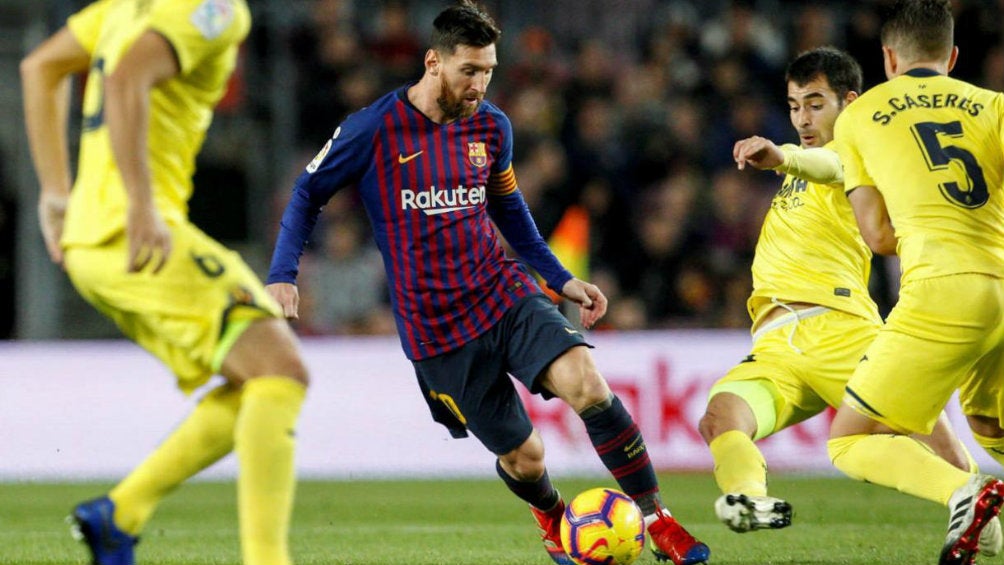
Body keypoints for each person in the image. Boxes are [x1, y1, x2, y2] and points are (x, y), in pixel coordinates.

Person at [265, 2, 708, 564]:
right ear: (433, 62)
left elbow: (508, 206)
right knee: (525, 455)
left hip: (502, 293)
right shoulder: (372, 129)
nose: (479, 85)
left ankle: (658, 520)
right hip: (437, 332)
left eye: (489, 71)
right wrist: (282, 274)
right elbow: (307, 192)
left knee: (589, 384)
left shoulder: (491, 127)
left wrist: (559, 279)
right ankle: (551, 516)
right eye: (468, 71)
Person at [20, 2, 309, 565]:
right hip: (137, 236)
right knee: (282, 371)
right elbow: (127, 74)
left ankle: (118, 516)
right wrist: (141, 205)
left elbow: (41, 67)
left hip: (91, 241)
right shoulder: (215, 9)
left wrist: (56, 191)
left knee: (257, 381)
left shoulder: (122, 6)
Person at [700, 46, 987, 539]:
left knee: (922, 433)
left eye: (815, 103)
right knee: (720, 417)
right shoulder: (806, 165)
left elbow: (827, 167)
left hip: (836, 327)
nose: (803, 118)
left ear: (848, 104)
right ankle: (747, 496)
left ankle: (981, 510)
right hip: (775, 343)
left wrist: (781, 156)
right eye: (794, 106)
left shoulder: (853, 152)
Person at [825, 1, 1004, 563]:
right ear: (952, 56)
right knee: (988, 420)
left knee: (851, 440)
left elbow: (877, 234)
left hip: (943, 287)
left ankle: (964, 493)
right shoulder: (994, 105)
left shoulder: (857, 115)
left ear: (887, 58)